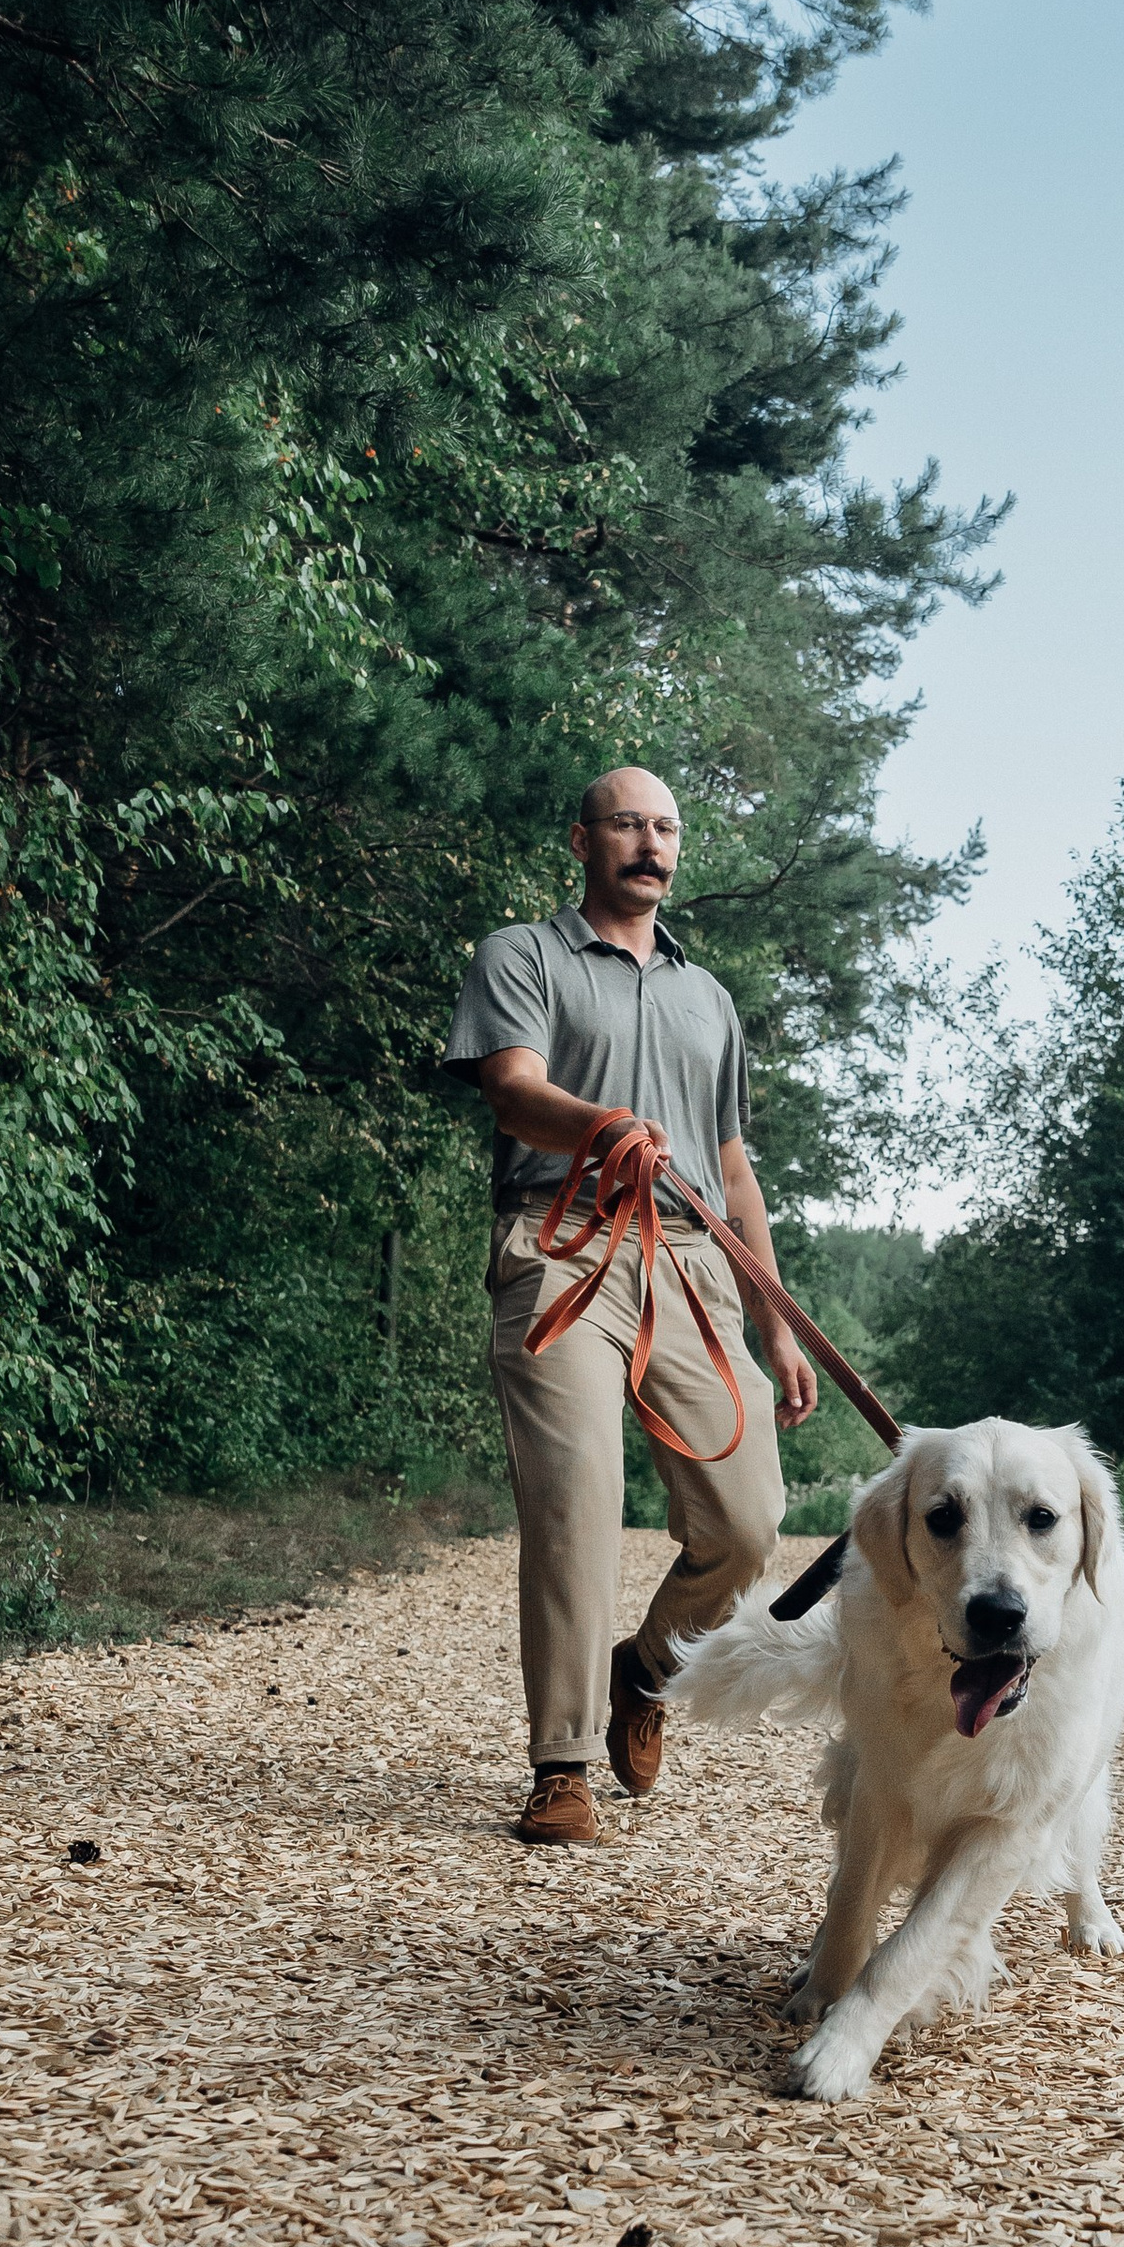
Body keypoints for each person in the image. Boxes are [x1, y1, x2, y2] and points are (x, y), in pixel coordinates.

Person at [442, 767, 818, 1842]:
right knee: (577, 1503)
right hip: (560, 1248)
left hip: (696, 1266)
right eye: (625, 824)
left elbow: (735, 1169)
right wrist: (604, 1126)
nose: (648, 844)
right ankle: (560, 1766)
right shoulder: (523, 954)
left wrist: (775, 1319)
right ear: (582, 840)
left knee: (748, 1524)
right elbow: (512, 1087)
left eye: (664, 827)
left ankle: (644, 1671)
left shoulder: (710, 998)